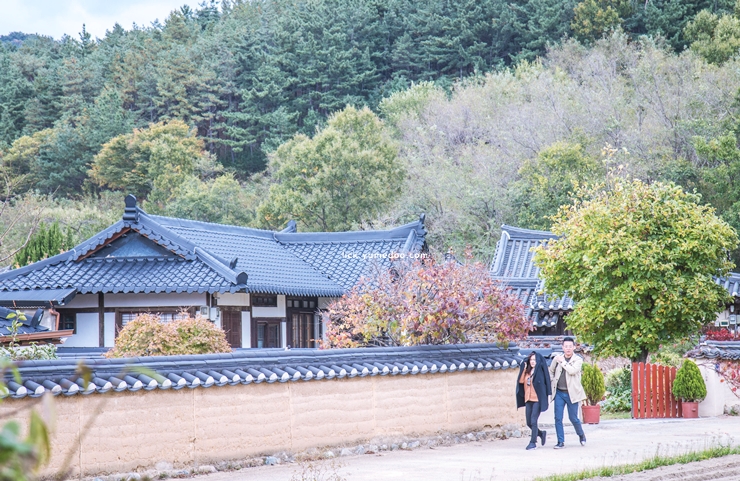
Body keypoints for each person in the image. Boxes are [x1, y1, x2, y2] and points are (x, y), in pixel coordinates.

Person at [549, 336, 587, 449]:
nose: (568, 348)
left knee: (573, 418)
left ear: (574, 347)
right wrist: (553, 381)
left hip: (572, 393)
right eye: (566, 346)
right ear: (562, 347)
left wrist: (563, 362)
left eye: (570, 346)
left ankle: (581, 435)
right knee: (558, 418)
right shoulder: (557, 359)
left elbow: (572, 371)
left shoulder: (578, 360)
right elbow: (551, 371)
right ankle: (560, 441)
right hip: (559, 393)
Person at [516, 350, 551, 450]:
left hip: (537, 399)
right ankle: (541, 433)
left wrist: (548, 395)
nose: (532, 361)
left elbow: (546, 381)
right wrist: (524, 368)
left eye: (534, 360)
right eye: (531, 360)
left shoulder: (540, 371)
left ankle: (533, 442)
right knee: (528, 422)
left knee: (533, 420)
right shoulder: (527, 371)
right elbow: (521, 381)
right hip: (528, 398)